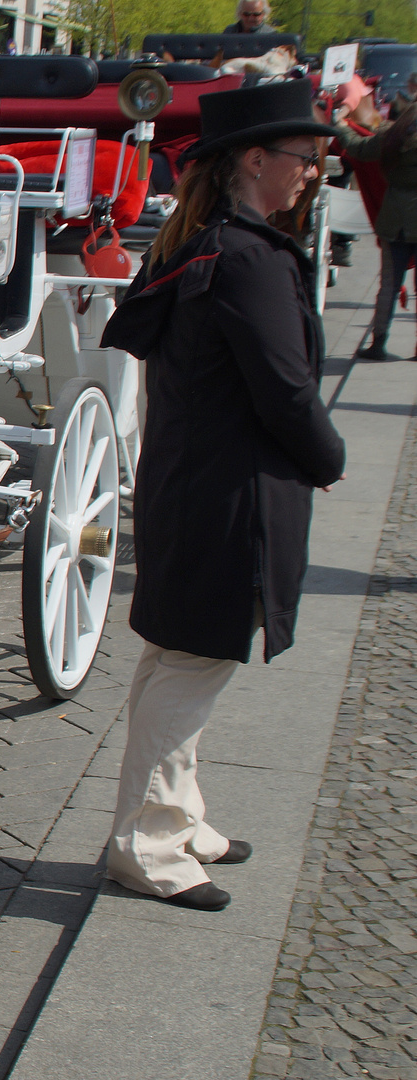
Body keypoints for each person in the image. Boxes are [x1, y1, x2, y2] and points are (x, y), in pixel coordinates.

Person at [99, 79, 346, 912]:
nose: (312, 173)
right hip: (228, 495)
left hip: (193, 486)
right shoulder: (245, 257)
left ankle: (180, 818)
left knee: (179, 658)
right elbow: (284, 390)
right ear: (253, 159)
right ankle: (149, 845)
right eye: (303, 159)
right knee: (190, 665)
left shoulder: (199, 242)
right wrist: (328, 454)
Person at [335, 79, 417, 360]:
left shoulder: (393, 133)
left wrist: (341, 128)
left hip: (395, 219)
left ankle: (378, 344)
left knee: (389, 286)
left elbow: (358, 148)